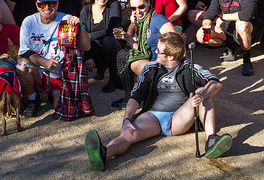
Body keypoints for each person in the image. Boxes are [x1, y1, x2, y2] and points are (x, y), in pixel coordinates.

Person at [84, 32, 232, 171]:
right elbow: (136, 96)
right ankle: (104, 154)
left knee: (202, 92)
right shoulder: (150, 68)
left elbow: (216, 83)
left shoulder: (190, 67)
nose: (155, 52)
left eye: (159, 51)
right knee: (129, 133)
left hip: (178, 118)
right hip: (153, 117)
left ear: (171, 57)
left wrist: (203, 94)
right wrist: (127, 119)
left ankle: (211, 141)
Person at [16, 0, 91, 117]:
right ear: (37, 5)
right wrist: (43, 62)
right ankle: (33, 99)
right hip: (38, 71)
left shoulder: (67, 20)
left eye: (51, 3)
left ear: (57, 4)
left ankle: (55, 93)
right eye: (43, 4)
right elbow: (25, 51)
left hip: (60, 74)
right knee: (21, 64)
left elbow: (86, 47)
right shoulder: (29, 22)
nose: (47, 7)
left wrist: (81, 26)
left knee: (61, 110)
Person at [200, 0, 264, 76]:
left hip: (248, 31)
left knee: (241, 24)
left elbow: (246, 15)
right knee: (201, 35)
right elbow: (209, 15)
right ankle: (230, 47)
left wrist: (223, 17)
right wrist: (207, 29)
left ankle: (247, 60)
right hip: (227, 31)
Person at [80, 0, 123, 93]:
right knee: (85, 43)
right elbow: (82, 34)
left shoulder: (114, 6)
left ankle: (113, 77)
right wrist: (87, 56)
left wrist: (89, 36)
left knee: (107, 41)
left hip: (114, 46)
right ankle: (100, 68)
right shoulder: (86, 10)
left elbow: (111, 30)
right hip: (94, 48)